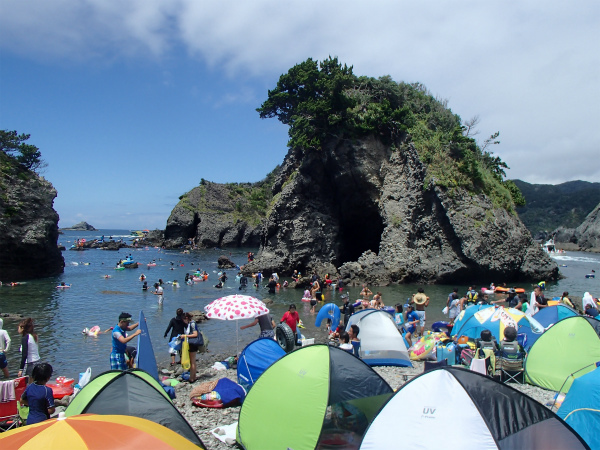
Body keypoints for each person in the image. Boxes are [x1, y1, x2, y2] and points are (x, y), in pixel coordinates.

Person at [181, 312, 203, 383]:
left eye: (183, 320)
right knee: (193, 361)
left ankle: (192, 378)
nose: (183, 321)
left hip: (193, 343)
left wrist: (185, 336)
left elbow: (195, 334)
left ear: (186, 318)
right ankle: (194, 376)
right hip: (192, 343)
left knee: (192, 361)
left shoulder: (192, 324)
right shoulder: (191, 324)